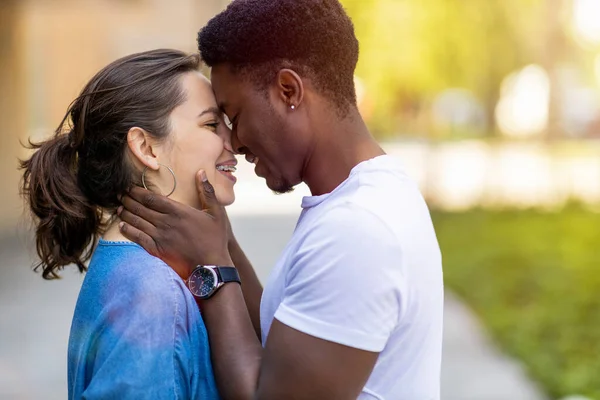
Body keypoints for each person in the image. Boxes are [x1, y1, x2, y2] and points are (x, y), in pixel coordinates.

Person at [119, 1, 444, 399]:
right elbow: (283, 343)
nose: (234, 143)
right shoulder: (364, 198)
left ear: (288, 90)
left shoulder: (358, 230)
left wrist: (213, 267)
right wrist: (225, 245)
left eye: (234, 116)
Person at [19, 49, 243, 399]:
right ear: (146, 148)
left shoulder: (142, 269)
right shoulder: (152, 295)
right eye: (212, 124)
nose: (235, 142)